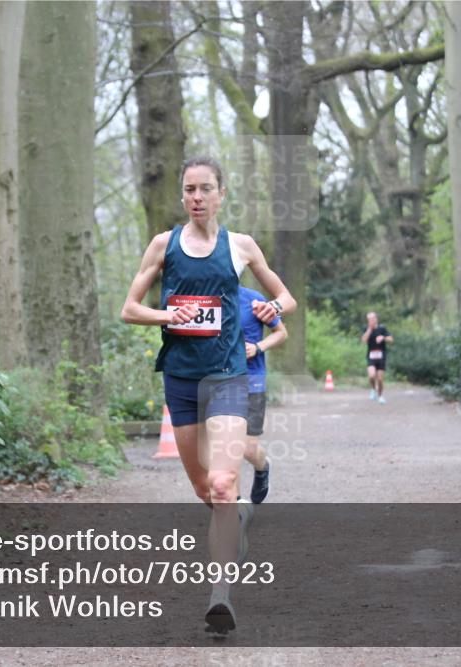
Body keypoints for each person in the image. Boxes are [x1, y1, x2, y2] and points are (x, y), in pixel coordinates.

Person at [121, 156, 296, 635]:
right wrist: (166, 317)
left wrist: (268, 306)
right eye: (189, 190)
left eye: (205, 189)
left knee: (222, 483)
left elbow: (286, 298)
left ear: (221, 194)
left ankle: (220, 595)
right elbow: (129, 308)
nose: (196, 197)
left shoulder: (241, 247)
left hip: (227, 377)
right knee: (206, 491)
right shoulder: (164, 245)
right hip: (180, 379)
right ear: (183, 197)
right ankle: (232, 521)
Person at [239, 285, 288, 504]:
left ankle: (262, 467)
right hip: (217, 382)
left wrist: (258, 347)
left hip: (252, 381)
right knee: (222, 449)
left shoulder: (253, 300)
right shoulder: (204, 300)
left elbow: (281, 333)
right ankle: (234, 503)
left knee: (248, 449)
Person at [361, 311, 392, 404]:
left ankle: (380, 396)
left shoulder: (382, 328)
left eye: (372, 318)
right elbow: (363, 341)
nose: (371, 321)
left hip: (381, 356)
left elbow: (391, 339)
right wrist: (369, 330)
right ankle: (373, 389)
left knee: (380, 379)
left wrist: (383, 338)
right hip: (371, 356)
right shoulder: (366, 328)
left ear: (376, 319)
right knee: (371, 375)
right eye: (369, 319)